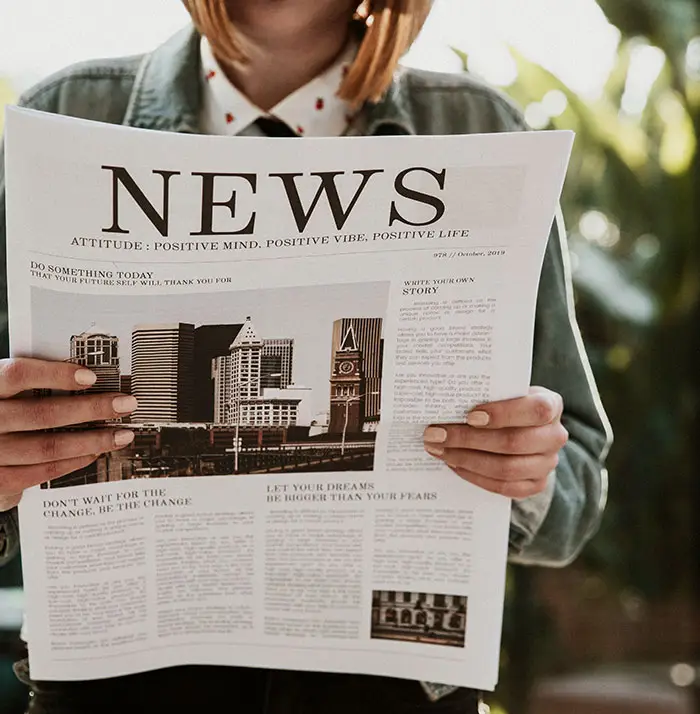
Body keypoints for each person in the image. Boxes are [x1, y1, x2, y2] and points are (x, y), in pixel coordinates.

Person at [0, 1, 612, 712]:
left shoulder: (479, 130)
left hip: (391, 690)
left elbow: (575, 493)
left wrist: (526, 466)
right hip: (118, 684)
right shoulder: (67, 117)